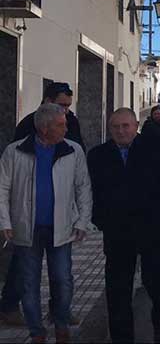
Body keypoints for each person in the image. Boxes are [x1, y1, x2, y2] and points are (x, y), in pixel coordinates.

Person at [87, 108, 160, 344]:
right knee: (117, 290)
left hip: (152, 229)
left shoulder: (155, 149)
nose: (121, 131)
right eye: (115, 127)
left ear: (136, 125)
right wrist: (101, 219)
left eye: (125, 126)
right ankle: (122, 337)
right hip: (117, 233)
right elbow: (91, 192)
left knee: (158, 283)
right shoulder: (98, 156)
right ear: (109, 129)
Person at [0, 103, 92, 344]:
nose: (66, 129)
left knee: (62, 280)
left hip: (61, 228)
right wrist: (4, 221)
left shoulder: (72, 151)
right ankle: (37, 332)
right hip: (26, 228)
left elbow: (83, 187)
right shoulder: (14, 151)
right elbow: (2, 188)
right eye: (61, 125)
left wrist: (83, 221)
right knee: (28, 283)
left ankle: (61, 325)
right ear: (44, 128)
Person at [14, 82, 83, 148]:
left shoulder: (72, 122)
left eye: (68, 106)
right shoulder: (27, 124)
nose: (66, 111)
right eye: (62, 105)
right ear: (48, 101)